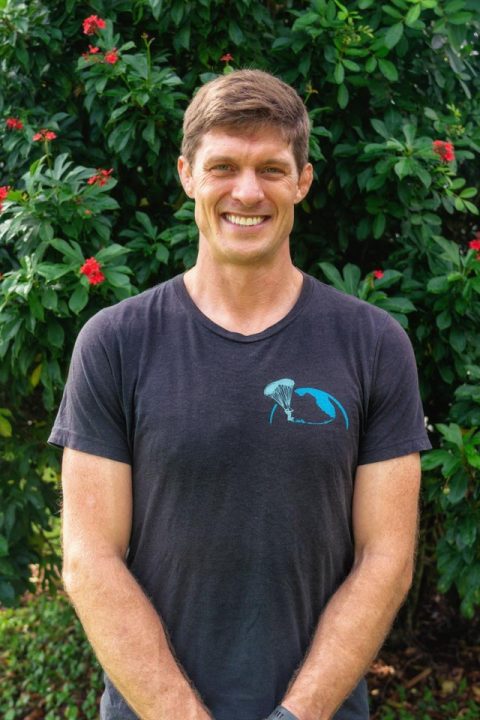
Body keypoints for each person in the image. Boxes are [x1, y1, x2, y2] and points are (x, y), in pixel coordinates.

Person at [48, 69, 432, 720]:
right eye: (223, 165)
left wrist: (294, 715)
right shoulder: (114, 343)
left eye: (272, 169)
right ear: (187, 175)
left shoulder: (374, 345)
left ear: (302, 182)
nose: (247, 191)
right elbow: (90, 561)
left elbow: (386, 558)